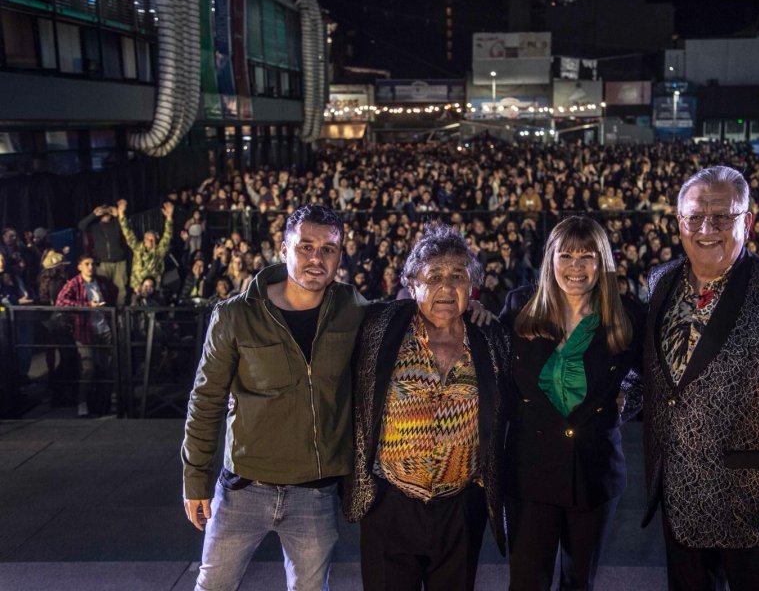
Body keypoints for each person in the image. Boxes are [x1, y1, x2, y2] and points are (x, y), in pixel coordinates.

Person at [629, 166, 759, 590]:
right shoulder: (660, 281)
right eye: (695, 216)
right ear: (678, 221)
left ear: (747, 221)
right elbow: (657, 376)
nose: (707, 228)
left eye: (723, 216)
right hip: (681, 501)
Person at [181, 205, 368, 591]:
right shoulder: (236, 315)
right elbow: (206, 400)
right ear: (283, 251)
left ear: (340, 254)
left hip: (314, 492)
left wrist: (472, 311)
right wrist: (195, 479)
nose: (317, 258)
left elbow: (414, 315)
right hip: (243, 487)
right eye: (306, 247)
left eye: (329, 249)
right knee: (212, 586)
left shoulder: (354, 310)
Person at [343, 223, 511, 591]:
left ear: (472, 286)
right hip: (389, 502)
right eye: (433, 277)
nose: (446, 288)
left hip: (460, 508)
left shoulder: (492, 337)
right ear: (412, 283)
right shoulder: (377, 326)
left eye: (458, 277)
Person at [500, 216, 640, 591]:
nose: (575, 267)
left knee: (579, 583)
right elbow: (495, 370)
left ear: (602, 262)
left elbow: (655, 376)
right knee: (527, 582)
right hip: (529, 471)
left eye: (587, 257)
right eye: (566, 256)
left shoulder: (626, 315)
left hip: (594, 472)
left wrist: (626, 401)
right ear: (550, 260)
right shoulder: (519, 307)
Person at [55, 254, 118, 417]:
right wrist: (85, 306)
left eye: (93, 264)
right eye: (87, 264)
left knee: (106, 368)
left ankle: (104, 402)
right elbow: (61, 301)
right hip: (84, 331)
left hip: (104, 329)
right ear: (80, 266)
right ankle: (82, 403)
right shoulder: (74, 283)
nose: (91, 267)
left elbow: (113, 293)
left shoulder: (101, 281)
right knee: (88, 368)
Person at [118, 199, 174, 294]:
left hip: (154, 290)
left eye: (153, 240)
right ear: (144, 239)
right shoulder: (137, 248)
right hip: (137, 289)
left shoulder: (159, 251)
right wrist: (121, 215)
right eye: (149, 239)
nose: (151, 242)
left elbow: (167, 235)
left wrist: (169, 217)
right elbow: (127, 232)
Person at [78, 204, 129, 305]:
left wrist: (118, 215)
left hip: (119, 262)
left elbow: (127, 226)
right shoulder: (95, 226)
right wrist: (93, 214)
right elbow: (81, 226)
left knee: (121, 290)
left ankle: (120, 315)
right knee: (102, 289)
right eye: (104, 211)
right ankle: (106, 314)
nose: (106, 213)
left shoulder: (117, 223)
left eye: (108, 210)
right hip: (102, 263)